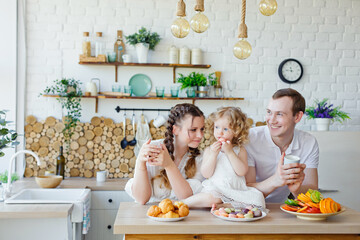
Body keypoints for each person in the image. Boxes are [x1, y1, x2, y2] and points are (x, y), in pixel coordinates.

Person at [183, 107, 266, 210]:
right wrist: (213, 155)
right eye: (217, 127)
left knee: (257, 198)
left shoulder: (239, 150)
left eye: (225, 129)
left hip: (235, 190)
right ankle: (183, 203)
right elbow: (206, 173)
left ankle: (223, 206)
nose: (220, 132)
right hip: (216, 188)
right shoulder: (210, 150)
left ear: (236, 131)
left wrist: (230, 152)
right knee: (212, 197)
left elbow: (241, 171)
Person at [245, 88, 319, 203]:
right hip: (249, 209)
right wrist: (275, 180)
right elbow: (245, 192)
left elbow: (313, 193)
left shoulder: (308, 142)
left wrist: (297, 189)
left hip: (282, 209)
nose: (271, 120)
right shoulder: (250, 138)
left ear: (298, 117)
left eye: (279, 114)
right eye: (269, 112)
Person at [125, 103, 205, 204]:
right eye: (193, 130)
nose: (200, 135)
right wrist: (140, 163)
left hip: (183, 216)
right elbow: (142, 199)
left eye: (202, 129)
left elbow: (186, 197)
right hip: (149, 215)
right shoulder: (154, 149)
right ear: (175, 130)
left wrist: (169, 165)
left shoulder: (200, 158)